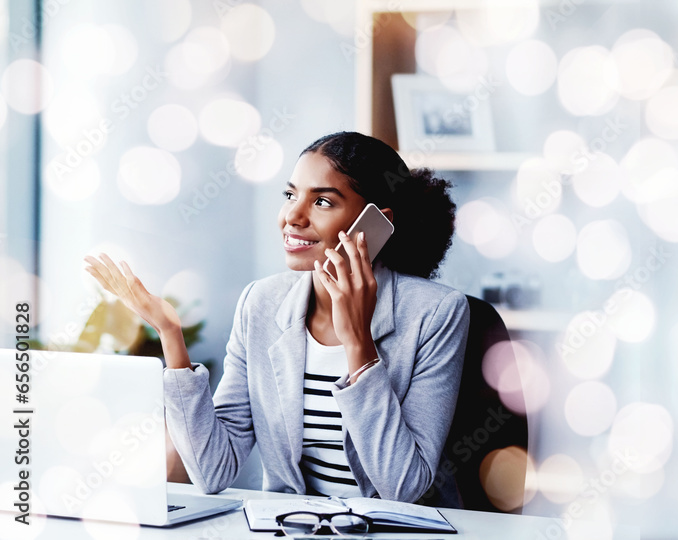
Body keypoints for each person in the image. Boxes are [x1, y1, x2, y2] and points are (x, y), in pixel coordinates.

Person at [83, 131, 471, 505]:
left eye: (322, 202)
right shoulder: (261, 303)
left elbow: (403, 487)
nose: (293, 216)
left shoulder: (436, 314)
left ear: (375, 225)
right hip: (292, 527)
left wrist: (358, 344)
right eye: (290, 195)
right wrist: (170, 335)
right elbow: (212, 470)